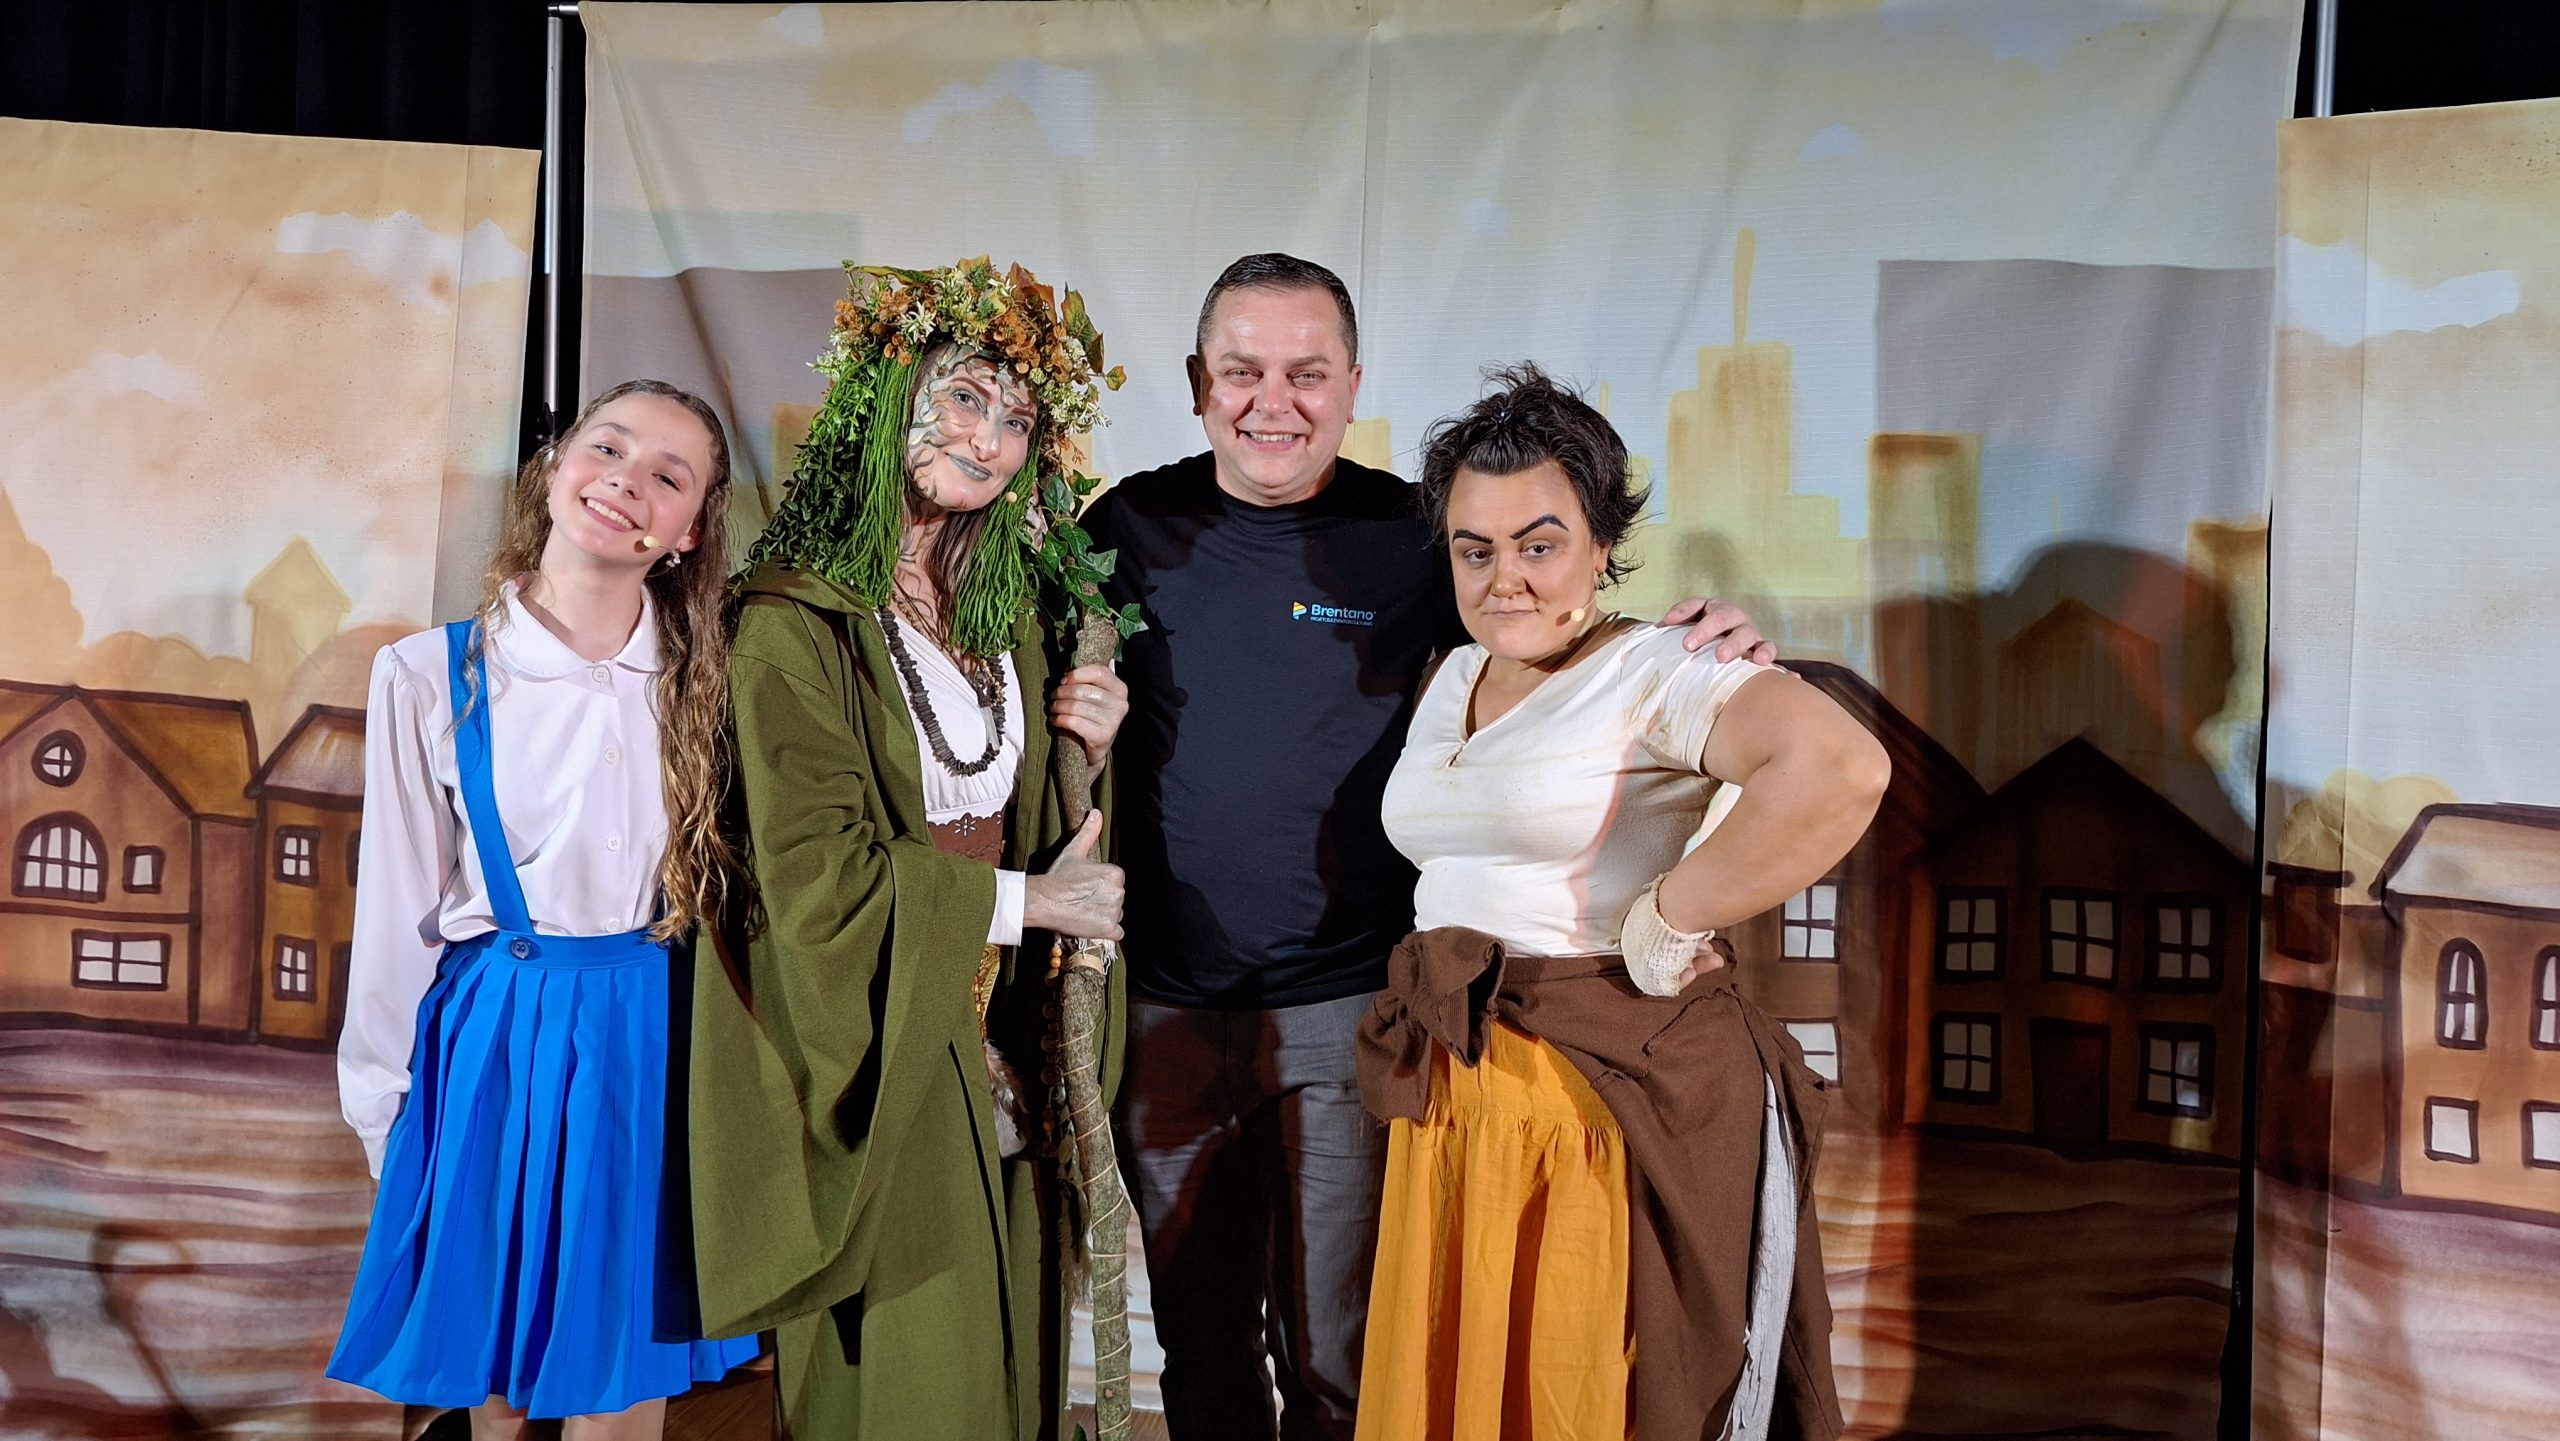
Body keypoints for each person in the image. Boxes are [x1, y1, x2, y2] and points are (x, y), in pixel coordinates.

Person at [1083, 253, 1777, 1440]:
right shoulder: (1123, 530)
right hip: (1162, 1010)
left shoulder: (1410, 536)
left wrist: (1706, 639)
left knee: (1344, 1355)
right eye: (1242, 371)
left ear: (1353, 386)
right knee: (1197, 1345)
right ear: (1198, 383)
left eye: (1306, 373)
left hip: (1347, 1005)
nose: (1272, 401)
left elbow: (1552, 625)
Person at [1353, 365, 1890, 1441]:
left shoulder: (1659, 667)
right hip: (1462, 1093)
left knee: (1579, 1394)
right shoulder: (1449, 676)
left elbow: (1840, 766)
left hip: (1596, 1103)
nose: (1505, 578)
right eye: (1475, 549)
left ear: (1602, 543)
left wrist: (1672, 912)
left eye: (1539, 544)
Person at [685, 258, 1132, 1439]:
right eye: (963, 399)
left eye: (1017, 419)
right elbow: (814, 877)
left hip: (1007, 1044)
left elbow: (1045, 829)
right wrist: (1031, 904)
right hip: (884, 1043)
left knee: (1010, 1357)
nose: (988, 440)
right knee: (918, 1373)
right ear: (886, 402)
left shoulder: (1008, 618)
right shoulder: (794, 624)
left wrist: (1090, 741)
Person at [329, 379, 760, 1440]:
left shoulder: (714, 677)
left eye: (668, 475)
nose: (626, 480)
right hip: (497, 1038)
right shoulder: (431, 674)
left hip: (653, 1037)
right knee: (499, 1381)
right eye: (607, 447)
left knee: (624, 1371)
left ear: (688, 532)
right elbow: (395, 914)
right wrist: (385, 1110)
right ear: (556, 466)